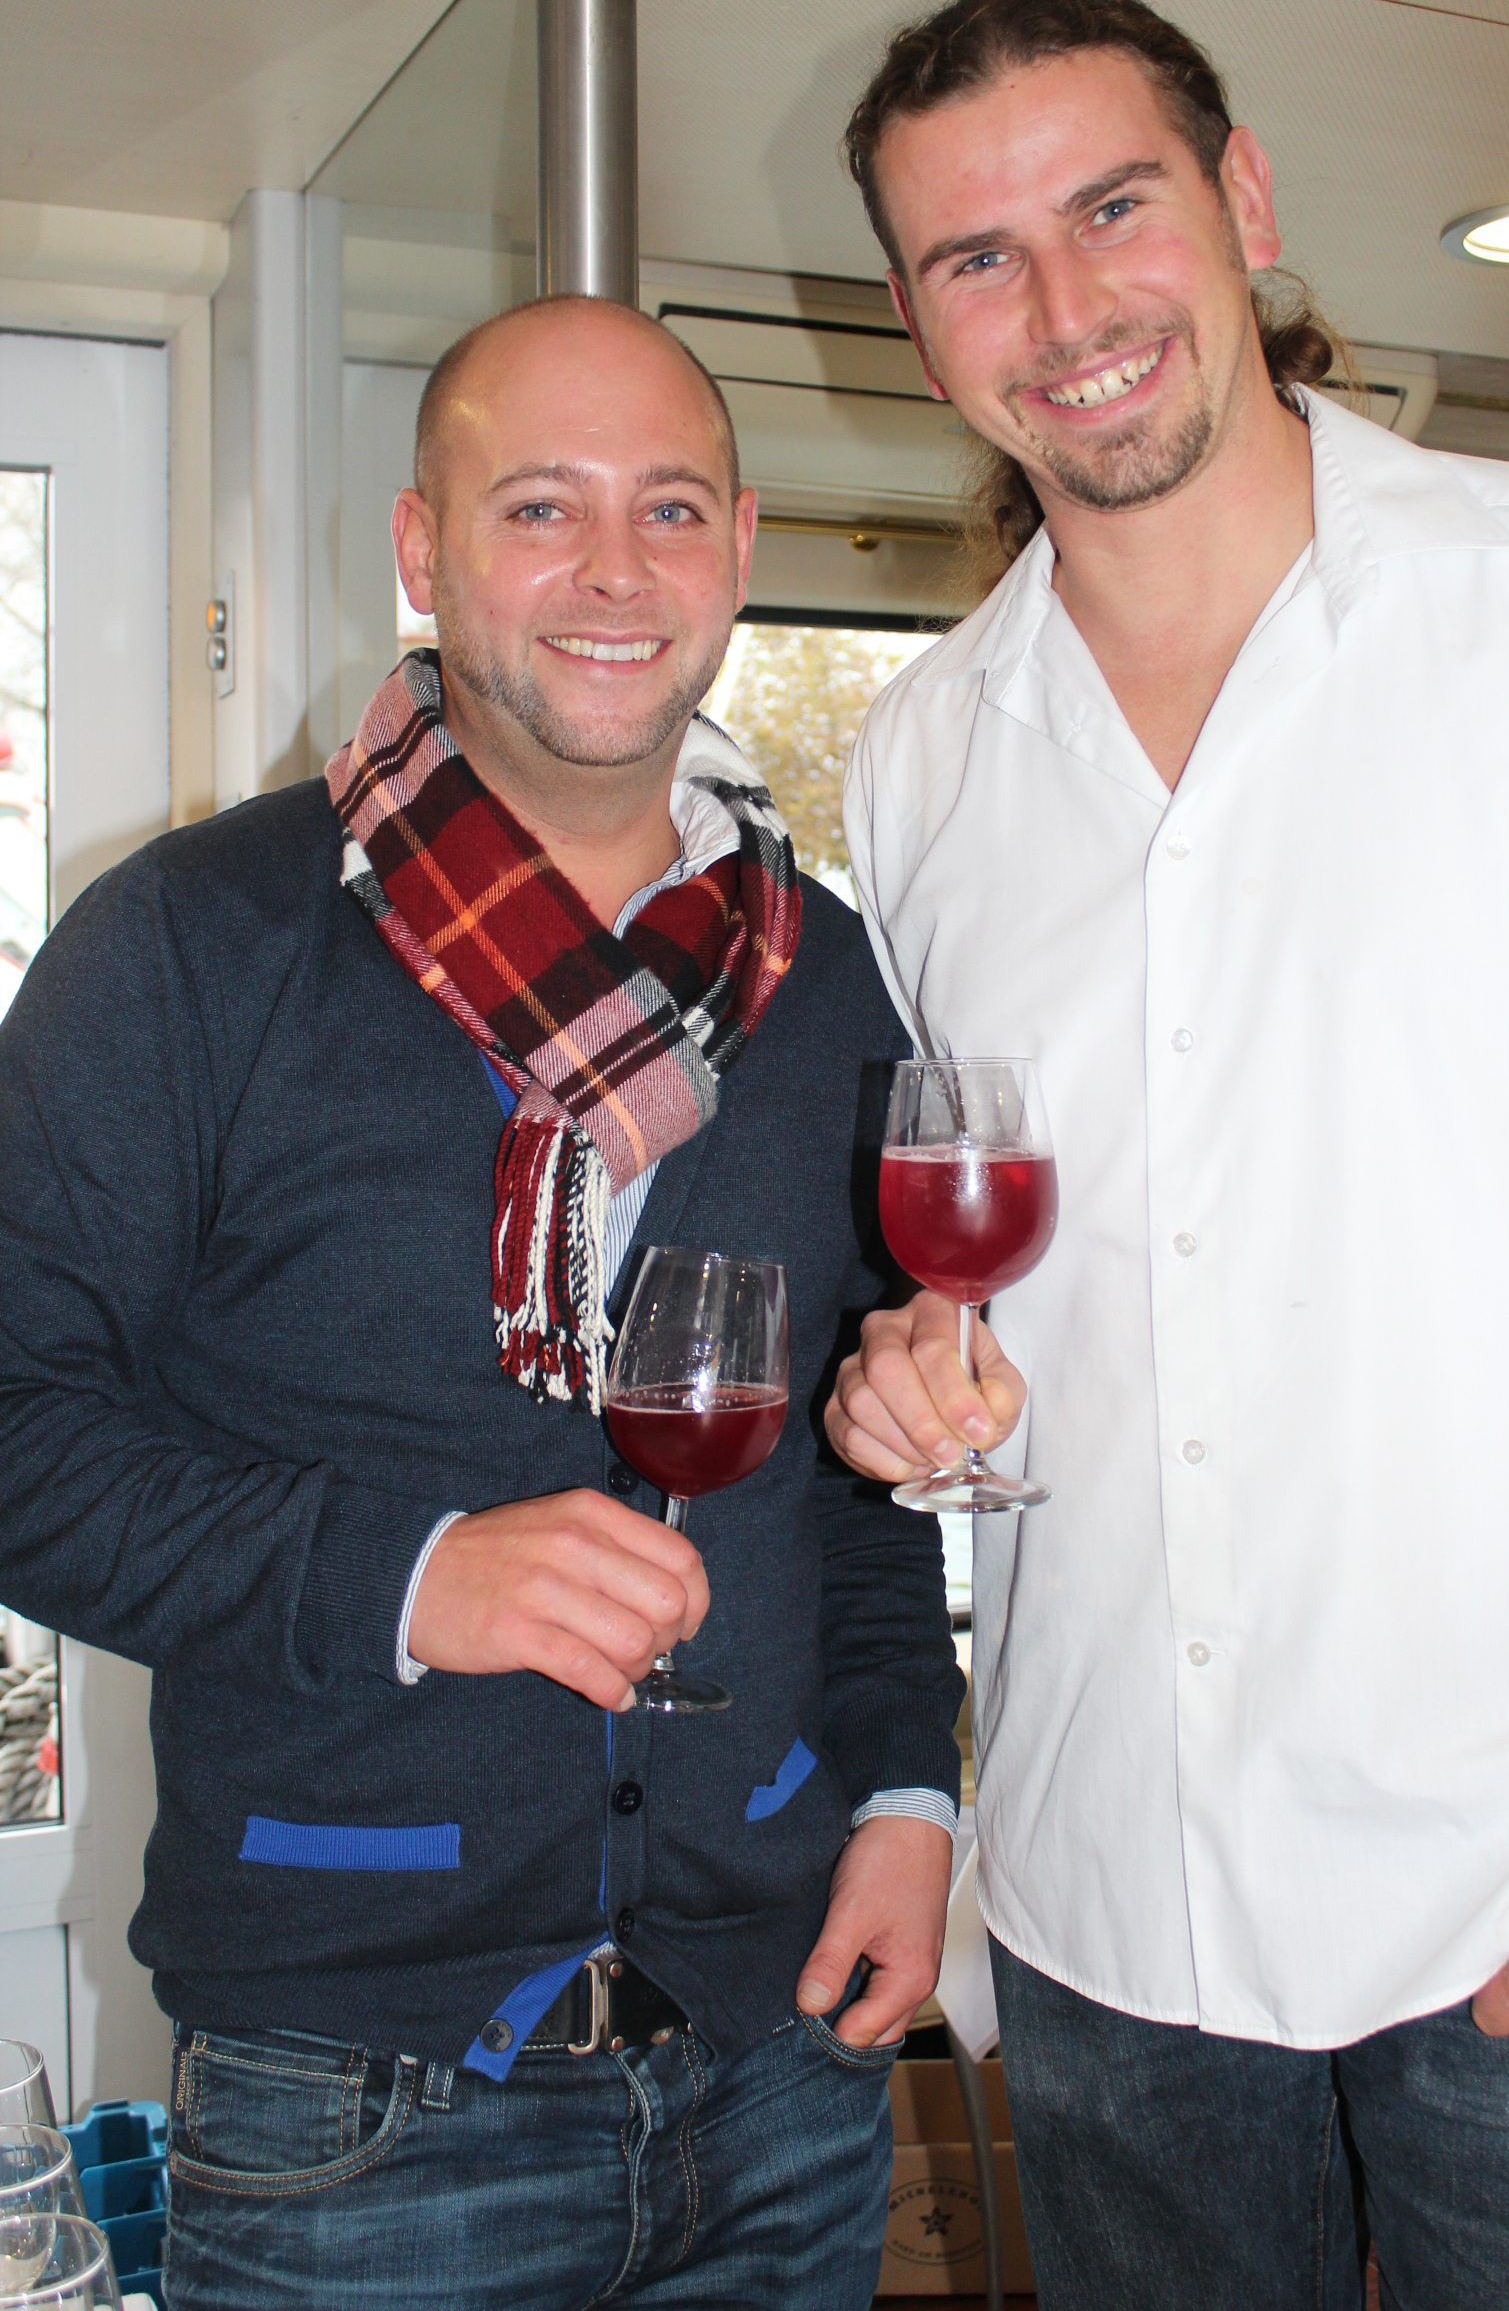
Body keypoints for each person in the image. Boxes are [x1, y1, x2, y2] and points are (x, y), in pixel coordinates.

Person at [824, 0, 1509, 2309]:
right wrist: (925, 1363)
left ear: (1240, 201)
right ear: (918, 323)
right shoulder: (926, 758)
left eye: (1112, 209)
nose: (1064, 310)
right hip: (1112, 1915)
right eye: (976, 258)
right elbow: (1026, 1269)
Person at [0, 295, 962, 2310]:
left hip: (782, 2071)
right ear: (423, 551)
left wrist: (902, 1792)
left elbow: (853, 1477)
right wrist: (407, 1574)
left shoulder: (829, 982)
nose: (616, 570)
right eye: (541, 507)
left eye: (670, 508)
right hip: (358, 2114)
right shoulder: (185, 946)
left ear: (740, 548)